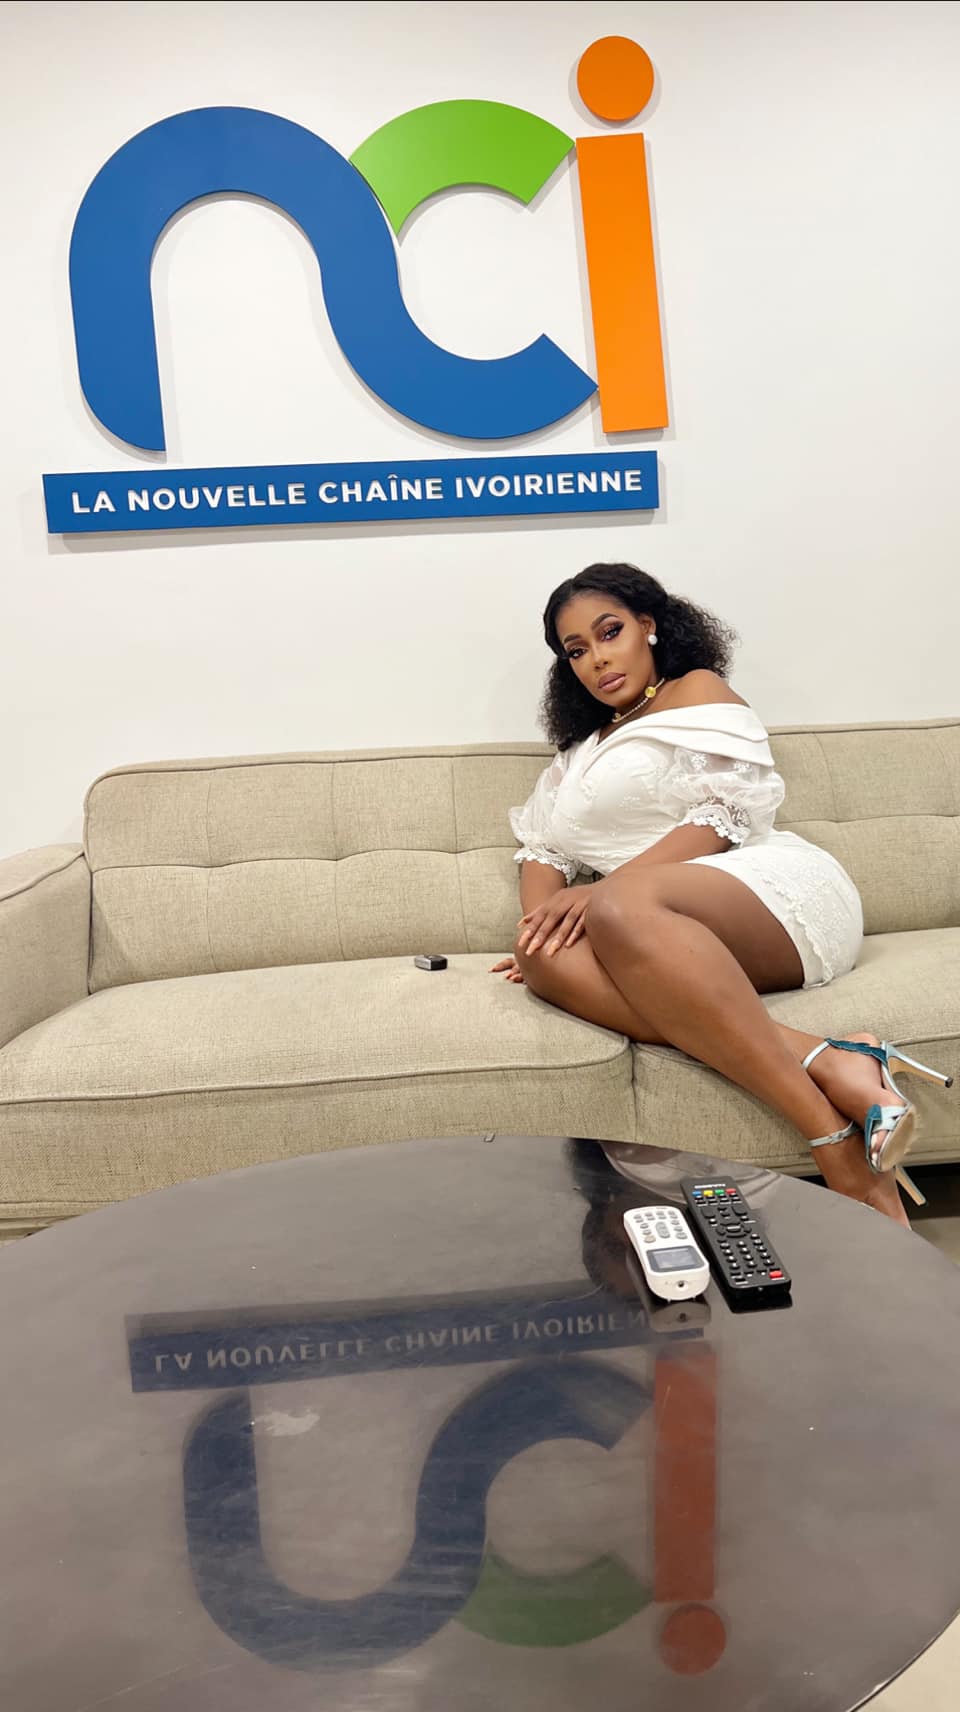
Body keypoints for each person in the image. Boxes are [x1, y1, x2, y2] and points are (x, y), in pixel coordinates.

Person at [491, 564, 952, 1227]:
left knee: (619, 905)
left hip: (760, 890)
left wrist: (602, 896)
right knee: (538, 956)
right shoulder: (579, 751)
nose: (597, 658)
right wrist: (542, 926)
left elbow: (721, 818)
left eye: (610, 632)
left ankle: (833, 1149)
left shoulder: (696, 690)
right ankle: (832, 1060)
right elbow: (544, 850)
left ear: (649, 626)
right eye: (577, 650)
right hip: (647, 926)